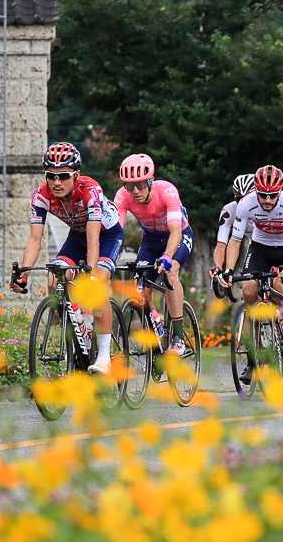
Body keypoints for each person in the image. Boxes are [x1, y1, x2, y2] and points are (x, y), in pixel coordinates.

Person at [12, 142, 123, 374]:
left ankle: (104, 356)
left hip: (106, 236)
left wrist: (90, 276)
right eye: (51, 176)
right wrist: (23, 274)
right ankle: (79, 326)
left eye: (63, 176)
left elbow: (94, 240)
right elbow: (35, 239)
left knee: (97, 285)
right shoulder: (41, 196)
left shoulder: (90, 190)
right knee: (54, 280)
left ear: (77, 175)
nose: (56, 182)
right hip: (77, 236)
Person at [219, 165, 283, 385]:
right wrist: (229, 270)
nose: (268, 200)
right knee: (249, 290)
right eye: (263, 195)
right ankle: (259, 337)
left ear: (280, 192)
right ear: (256, 191)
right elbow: (235, 240)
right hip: (260, 247)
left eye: (272, 196)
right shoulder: (246, 204)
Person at [113, 153, 195, 356]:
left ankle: (177, 338)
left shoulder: (167, 191)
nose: (135, 191)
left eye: (140, 184)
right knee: (138, 289)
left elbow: (176, 231)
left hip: (177, 235)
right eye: (129, 186)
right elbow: (115, 231)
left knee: (170, 272)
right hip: (150, 240)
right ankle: (156, 328)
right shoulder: (122, 196)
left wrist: (168, 257)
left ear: (150, 181)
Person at [213, 173, 256, 275]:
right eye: (240, 199)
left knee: (277, 283)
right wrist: (218, 267)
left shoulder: (266, 208)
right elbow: (221, 244)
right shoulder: (229, 210)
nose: (244, 203)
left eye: (249, 199)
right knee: (248, 288)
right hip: (256, 246)